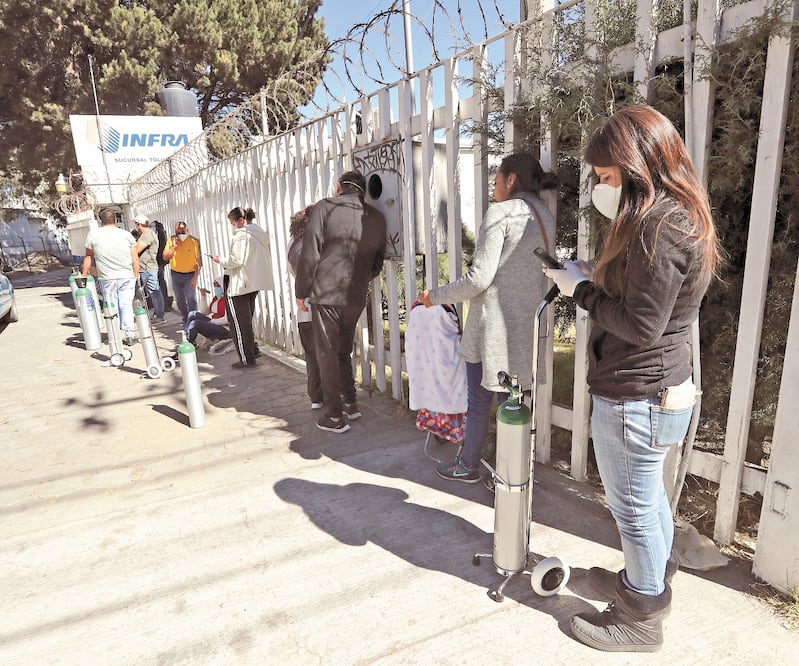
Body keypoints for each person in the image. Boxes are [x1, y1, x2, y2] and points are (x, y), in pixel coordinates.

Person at [543, 105, 721, 653]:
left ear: (637, 166)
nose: (599, 186)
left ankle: (641, 617)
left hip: (638, 393)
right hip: (661, 389)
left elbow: (639, 325)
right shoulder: (675, 216)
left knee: (635, 507)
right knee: (651, 501)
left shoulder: (658, 227)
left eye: (605, 176)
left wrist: (578, 289)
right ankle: (645, 582)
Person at [418, 152, 557, 482]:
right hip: (525, 325)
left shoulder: (501, 212)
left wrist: (432, 297)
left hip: (492, 327)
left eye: (496, 181)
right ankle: (512, 476)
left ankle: (468, 465)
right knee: (513, 405)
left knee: (479, 402)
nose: (494, 188)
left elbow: (479, 279)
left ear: (511, 180)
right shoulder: (544, 216)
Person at [295, 170, 387, 434]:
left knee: (326, 354)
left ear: (338, 187)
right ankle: (350, 401)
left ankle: (334, 416)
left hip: (327, 294)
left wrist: (301, 292)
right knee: (343, 349)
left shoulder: (325, 208)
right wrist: (359, 278)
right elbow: (377, 261)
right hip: (356, 295)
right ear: (362, 190)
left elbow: (310, 253)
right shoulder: (376, 217)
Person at [210, 207, 272, 369]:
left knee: (238, 323)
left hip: (238, 285)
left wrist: (220, 260)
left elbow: (235, 260)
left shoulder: (241, 235)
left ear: (240, 220)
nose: (233, 227)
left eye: (233, 223)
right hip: (253, 283)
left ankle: (247, 358)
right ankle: (252, 350)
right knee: (246, 321)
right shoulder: (259, 234)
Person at [81, 208, 140, 345]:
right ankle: (130, 335)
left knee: (111, 306)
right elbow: (135, 258)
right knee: (126, 305)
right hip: (126, 276)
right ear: (115, 219)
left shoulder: (93, 235)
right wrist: (136, 275)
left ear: (100, 221)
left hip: (107, 277)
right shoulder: (126, 235)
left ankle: (115, 336)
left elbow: (88, 257)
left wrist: (84, 274)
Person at [287, 206, 323, 410]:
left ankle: (316, 397)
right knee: (326, 355)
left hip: (304, 312)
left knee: (312, 356)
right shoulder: (312, 245)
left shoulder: (292, 243)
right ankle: (328, 396)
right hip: (318, 305)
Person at [162, 221, 201, 326]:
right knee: (179, 300)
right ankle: (185, 317)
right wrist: (173, 247)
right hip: (176, 274)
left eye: (183, 231)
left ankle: (194, 321)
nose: (181, 234)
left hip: (190, 274)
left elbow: (198, 262)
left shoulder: (193, 242)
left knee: (191, 299)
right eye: (178, 232)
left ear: (187, 230)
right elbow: (165, 256)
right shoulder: (171, 240)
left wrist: (195, 278)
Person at [133, 214, 166, 325]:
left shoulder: (147, 235)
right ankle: (157, 314)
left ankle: (160, 315)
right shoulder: (148, 234)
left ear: (138, 224)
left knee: (155, 292)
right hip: (147, 268)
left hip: (148, 268)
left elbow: (136, 250)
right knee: (153, 293)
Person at [186, 275, 230, 348]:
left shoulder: (228, 300)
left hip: (225, 329)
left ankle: (188, 346)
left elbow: (227, 319)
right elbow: (205, 312)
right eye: (215, 286)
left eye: (218, 286)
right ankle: (191, 341)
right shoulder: (216, 298)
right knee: (192, 314)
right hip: (215, 324)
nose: (216, 289)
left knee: (195, 324)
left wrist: (212, 322)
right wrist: (203, 296)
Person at [152, 219, 172, 311]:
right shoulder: (163, 234)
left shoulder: (153, 236)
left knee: (156, 285)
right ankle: (166, 304)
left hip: (155, 262)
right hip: (161, 262)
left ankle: (162, 305)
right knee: (162, 282)